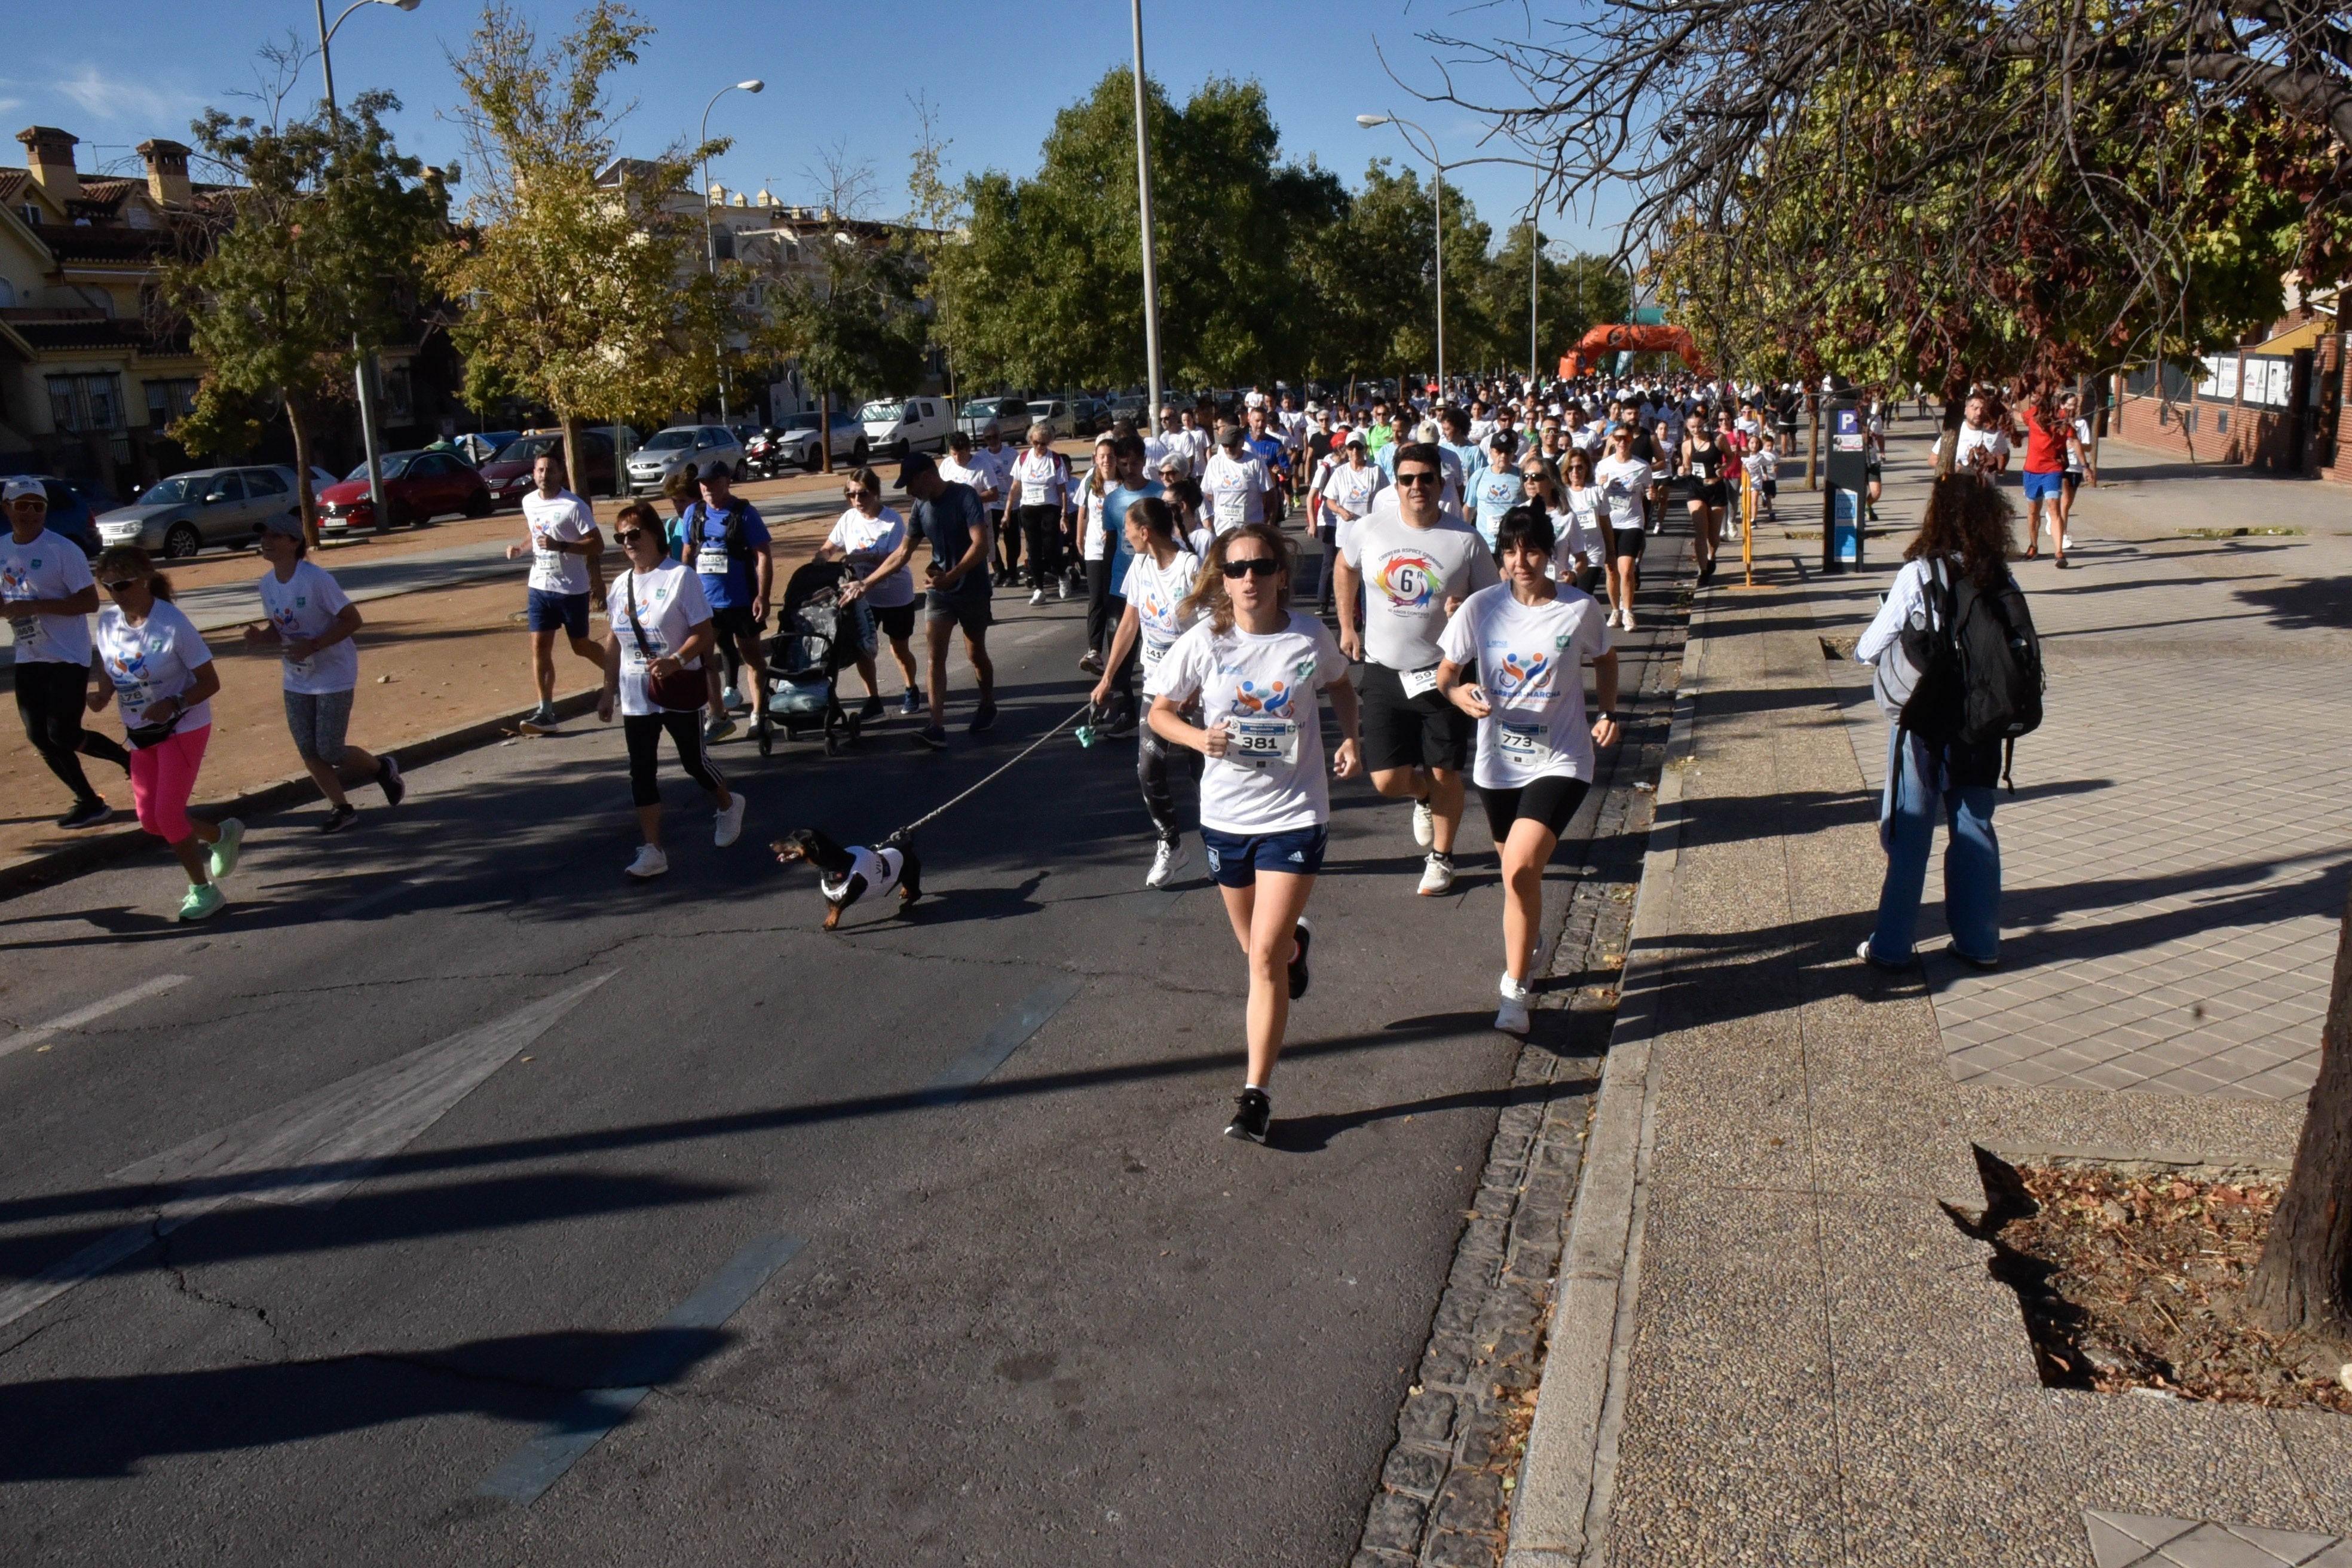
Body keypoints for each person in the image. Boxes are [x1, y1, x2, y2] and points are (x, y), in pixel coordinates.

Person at [1144, 523, 1361, 1144]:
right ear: (1222, 576)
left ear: (1280, 574)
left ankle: (1256, 1094)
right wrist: (1196, 736)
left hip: (1295, 813)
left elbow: (1341, 684)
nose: (1248, 578)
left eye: (1260, 566)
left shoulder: (1307, 636)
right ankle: (1297, 947)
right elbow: (1160, 709)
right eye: (1235, 568)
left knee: (1260, 958)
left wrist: (1351, 736)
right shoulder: (1206, 641)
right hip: (1226, 817)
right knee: (1259, 952)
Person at [1436, 505, 1620, 1033]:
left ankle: (1515, 991)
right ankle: (1530, 937)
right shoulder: (1480, 608)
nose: (1522, 561)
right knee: (1520, 880)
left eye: (1532, 549)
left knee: (1519, 869)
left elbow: (1605, 659)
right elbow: (1447, 674)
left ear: (1551, 552)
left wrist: (1608, 713)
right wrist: (1459, 693)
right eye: (1511, 551)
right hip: (1499, 765)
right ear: (1501, 557)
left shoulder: (1579, 608)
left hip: (1562, 758)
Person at [1853, 474, 2014, 970]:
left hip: (1926, 723)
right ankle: (1980, 942)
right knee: (1975, 826)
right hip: (1983, 721)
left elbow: (1868, 649)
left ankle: (1892, 945)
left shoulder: (1920, 573)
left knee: (1910, 832)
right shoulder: (1998, 572)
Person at [1334, 442, 1500, 896]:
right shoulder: (1370, 529)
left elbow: (1494, 603)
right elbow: (1344, 567)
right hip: (1385, 670)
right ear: (1396, 483)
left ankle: (1442, 859)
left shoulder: (1465, 539)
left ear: (1441, 482)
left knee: (1447, 770)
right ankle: (1422, 796)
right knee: (1387, 780)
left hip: (1444, 673)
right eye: (1407, 479)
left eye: (1425, 478)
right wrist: (1347, 624)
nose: (1416, 487)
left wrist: (1466, 606)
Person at [88, 547, 237, 920]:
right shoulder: (109, 622)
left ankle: (203, 890)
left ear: (144, 580)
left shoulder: (173, 624)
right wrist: (104, 693)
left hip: (183, 728)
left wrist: (174, 703)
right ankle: (221, 835)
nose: (116, 593)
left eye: (122, 584)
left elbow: (210, 682)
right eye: (108, 586)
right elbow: (110, 665)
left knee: (169, 817)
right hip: (141, 732)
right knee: (151, 820)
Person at [597, 502, 744, 879]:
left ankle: (728, 805)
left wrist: (676, 660)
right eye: (621, 537)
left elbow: (704, 632)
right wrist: (607, 689)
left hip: (677, 686)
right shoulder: (620, 584)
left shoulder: (680, 577)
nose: (628, 542)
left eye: (634, 534)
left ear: (653, 534)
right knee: (641, 773)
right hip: (636, 692)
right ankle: (653, 850)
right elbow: (613, 639)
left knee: (693, 760)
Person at [240, 514, 403, 832]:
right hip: (296, 677)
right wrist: (261, 637)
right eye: (264, 535)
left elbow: (352, 620)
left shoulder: (315, 579)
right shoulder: (267, 583)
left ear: (295, 542)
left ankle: (383, 768)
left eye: (275, 536)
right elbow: (280, 626)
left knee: (330, 749)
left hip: (333, 674)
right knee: (308, 749)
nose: (267, 542)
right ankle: (342, 808)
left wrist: (313, 645)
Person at [1094, 495, 1205, 887]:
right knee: (1148, 768)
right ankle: (1171, 843)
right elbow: (1129, 624)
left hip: (1195, 689)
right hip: (1157, 685)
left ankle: (1222, 840)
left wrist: (1197, 690)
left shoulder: (1191, 568)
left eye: (1128, 530)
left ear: (1145, 531)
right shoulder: (1140, 565)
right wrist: (1108, 678)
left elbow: (1214, 632)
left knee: (1203, 774)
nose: (1125, 536)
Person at [2, 475, 124, 828]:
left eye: (38, 506)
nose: (31, 513)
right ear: (6, 508)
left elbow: (89, 601)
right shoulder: (1, 548)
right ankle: (88, 800)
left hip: (67, 655)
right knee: (38, 735)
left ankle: (129, 762)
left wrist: (36, 606)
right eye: (22, 506)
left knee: (64, 733)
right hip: (29, 653)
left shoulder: (62, 549)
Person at [666, 466, 773, 743]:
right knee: (703, 660)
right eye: (703, 483)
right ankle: (718, 716)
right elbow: (687, 554)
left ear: (727, 481)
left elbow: (763, 555)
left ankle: (760, 714)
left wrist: (763, 595)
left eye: (714, 482)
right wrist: (680, 593)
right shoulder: (694, 513)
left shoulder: (745, 513)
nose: (708, 488)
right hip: (705, 603)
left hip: (742, 601)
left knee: (751, 656)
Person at [898, 451, 997, 748]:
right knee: (935, 655)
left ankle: (988, 704)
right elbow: (903, 552)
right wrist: (866, 583)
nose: (910, 492)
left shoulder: (965, 496)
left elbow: (981, 545)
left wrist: (953, 576)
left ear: (928, 476)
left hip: (972, 588)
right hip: (940, 591)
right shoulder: (920, 506)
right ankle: (936, 725)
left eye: (912, 484)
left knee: (975, 653)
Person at [506, 450, 606, 735]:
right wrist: (521, 548)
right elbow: (534, 532)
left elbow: (597, 545)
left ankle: (620, 675)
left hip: (571, 589)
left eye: (550, 470)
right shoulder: (528, 502)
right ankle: (546, 711)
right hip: (539, 587)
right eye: (539, 470)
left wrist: (562, 546)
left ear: (561, 473)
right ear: (533, 473)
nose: (544, 475)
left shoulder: (574, 506)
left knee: (581, 646)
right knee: (539, 647)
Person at [819, 466, 922, 720]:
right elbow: (828, 548)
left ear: (875, 493)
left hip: (896, 595)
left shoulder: (892, 521)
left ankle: (911, 688)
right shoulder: (848, 519)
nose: (857, 501)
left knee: (899, 649)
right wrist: (817, 565)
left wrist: (863, 556)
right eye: (851, 495)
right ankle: (873, 699)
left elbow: (897, 557)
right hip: (862, 597)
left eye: (863, 494)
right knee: (862, 649)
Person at [1086, 433, 1162, 730]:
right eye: (1123, 463)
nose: (1129, 469)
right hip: (1121, 583)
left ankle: (1166, 709)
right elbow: (1112, 543)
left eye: (1134, 463)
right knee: (1118, 644)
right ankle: (1127, 710)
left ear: (1144, 462)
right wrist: (1106, 588)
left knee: (1156, 650)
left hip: (1156, 584)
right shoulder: (1114, 501)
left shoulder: (1159, 494)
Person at [1312, 433, 1386, 615]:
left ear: (1365, 449)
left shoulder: (1375, 471)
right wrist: (1340, 511)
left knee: (1367, 578)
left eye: (1358, 447)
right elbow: (1329, 500)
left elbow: (1386, 497)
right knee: (1348, 577)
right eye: (1351, 447)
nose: (1354, 452)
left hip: (1370, 534)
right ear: (1346, 449)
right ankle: (1351, 615)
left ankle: (1368, 616)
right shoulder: (1340, 473)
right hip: (1346, 534)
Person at [1006, 420, 1071, 605]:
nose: (1040, 447)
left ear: (1049, 442)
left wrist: (1064, 514)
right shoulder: (1023, 459)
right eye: (1036, 443)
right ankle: (1039, 589)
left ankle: (1061, 574)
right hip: (1028, 508)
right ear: (1031, 441)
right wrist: (1007, 511)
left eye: (1043, 443)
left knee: (1050, 549)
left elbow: (1062, 489)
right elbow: (1015, 486)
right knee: (1033, 550)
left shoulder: (1055, 460)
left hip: (1050, 507)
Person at [1594, 426, 1652, 631]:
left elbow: (1647, 491)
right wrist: (1600, 486)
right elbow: (1595, 496)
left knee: (1626, 569)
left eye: (1626, 438)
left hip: (1631, 522)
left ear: (1631, 441)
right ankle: (1615, 610)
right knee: (1611, 571)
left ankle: (1628, 612)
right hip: (1609, 522)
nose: (1622, 442)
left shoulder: (1642, 466)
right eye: (1618, 438)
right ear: (1612, 440)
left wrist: (1651, 495)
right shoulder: (1603, 466)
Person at [939, 430, 1009, 587]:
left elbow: (994, 494)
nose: (957, 459)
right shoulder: (947, 465)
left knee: (982, 551)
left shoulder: (981, 465)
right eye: (954, 454)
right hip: (954, 519)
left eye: (961, 454)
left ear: (969, 449)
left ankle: (989, 578)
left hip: (979, 517)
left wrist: (970, 500)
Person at [2019, 385, 2077, 569]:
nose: (2036, 400)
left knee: (2054, 507)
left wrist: (2085, 465)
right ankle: (2033, 546)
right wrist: (2005, 404)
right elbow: (2020, 417)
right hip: (2032, 470)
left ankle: (2059, 552)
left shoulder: (2061, 418)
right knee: (2033, 510)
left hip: (2052, 469)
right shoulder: (2033, 413)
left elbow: (2073, 438)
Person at [1202, 421, 1274, 534]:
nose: (1228, 449)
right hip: (1222, 530)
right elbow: (1207, 495)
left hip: (1250, 530)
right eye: (1225, 445)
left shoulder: (1255, 462)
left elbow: (1270, 495)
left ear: (1242, 443)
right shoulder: (1215, 462)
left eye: (1232, 445)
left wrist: (1269, 524)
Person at [1683, 414, 1728, 583]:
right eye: (1693, 427)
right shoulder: (1687, 445)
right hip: (1697, 489)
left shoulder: (1718, 439)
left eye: (1699, 426)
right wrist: (1682, 471)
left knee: (1713, 536)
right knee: (1701, 532)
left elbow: (1730, 457)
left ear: (1705, 424)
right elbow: (1687, 468)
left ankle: (1712, 555)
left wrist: (1724, 469)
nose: (1696, 430)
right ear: (1688, 427)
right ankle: (1702, 571)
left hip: (1716, 488)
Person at [1469, 428, 1525, 549]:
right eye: (1499, 451)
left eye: (1508, 451)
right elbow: (1469, 508)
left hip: (1513, 545)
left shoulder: (1522, 477)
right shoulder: (1479, 476)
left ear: (1514, 453)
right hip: (1484, 545)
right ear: (1490, 451)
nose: (1503, 456)